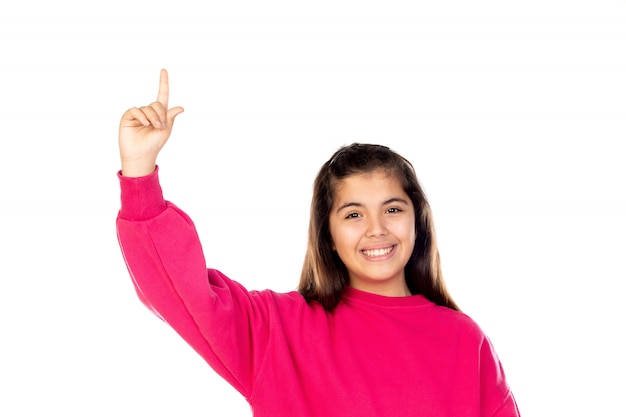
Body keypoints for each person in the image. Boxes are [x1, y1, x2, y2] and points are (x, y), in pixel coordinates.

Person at [116, 69, 521, 416]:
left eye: (393, 209)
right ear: (327, 235)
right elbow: (181, 293)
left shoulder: (464, 341)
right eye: (353, 214)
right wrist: (139, 173)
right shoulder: (278, 329)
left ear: (419, 223)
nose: (376, 228)